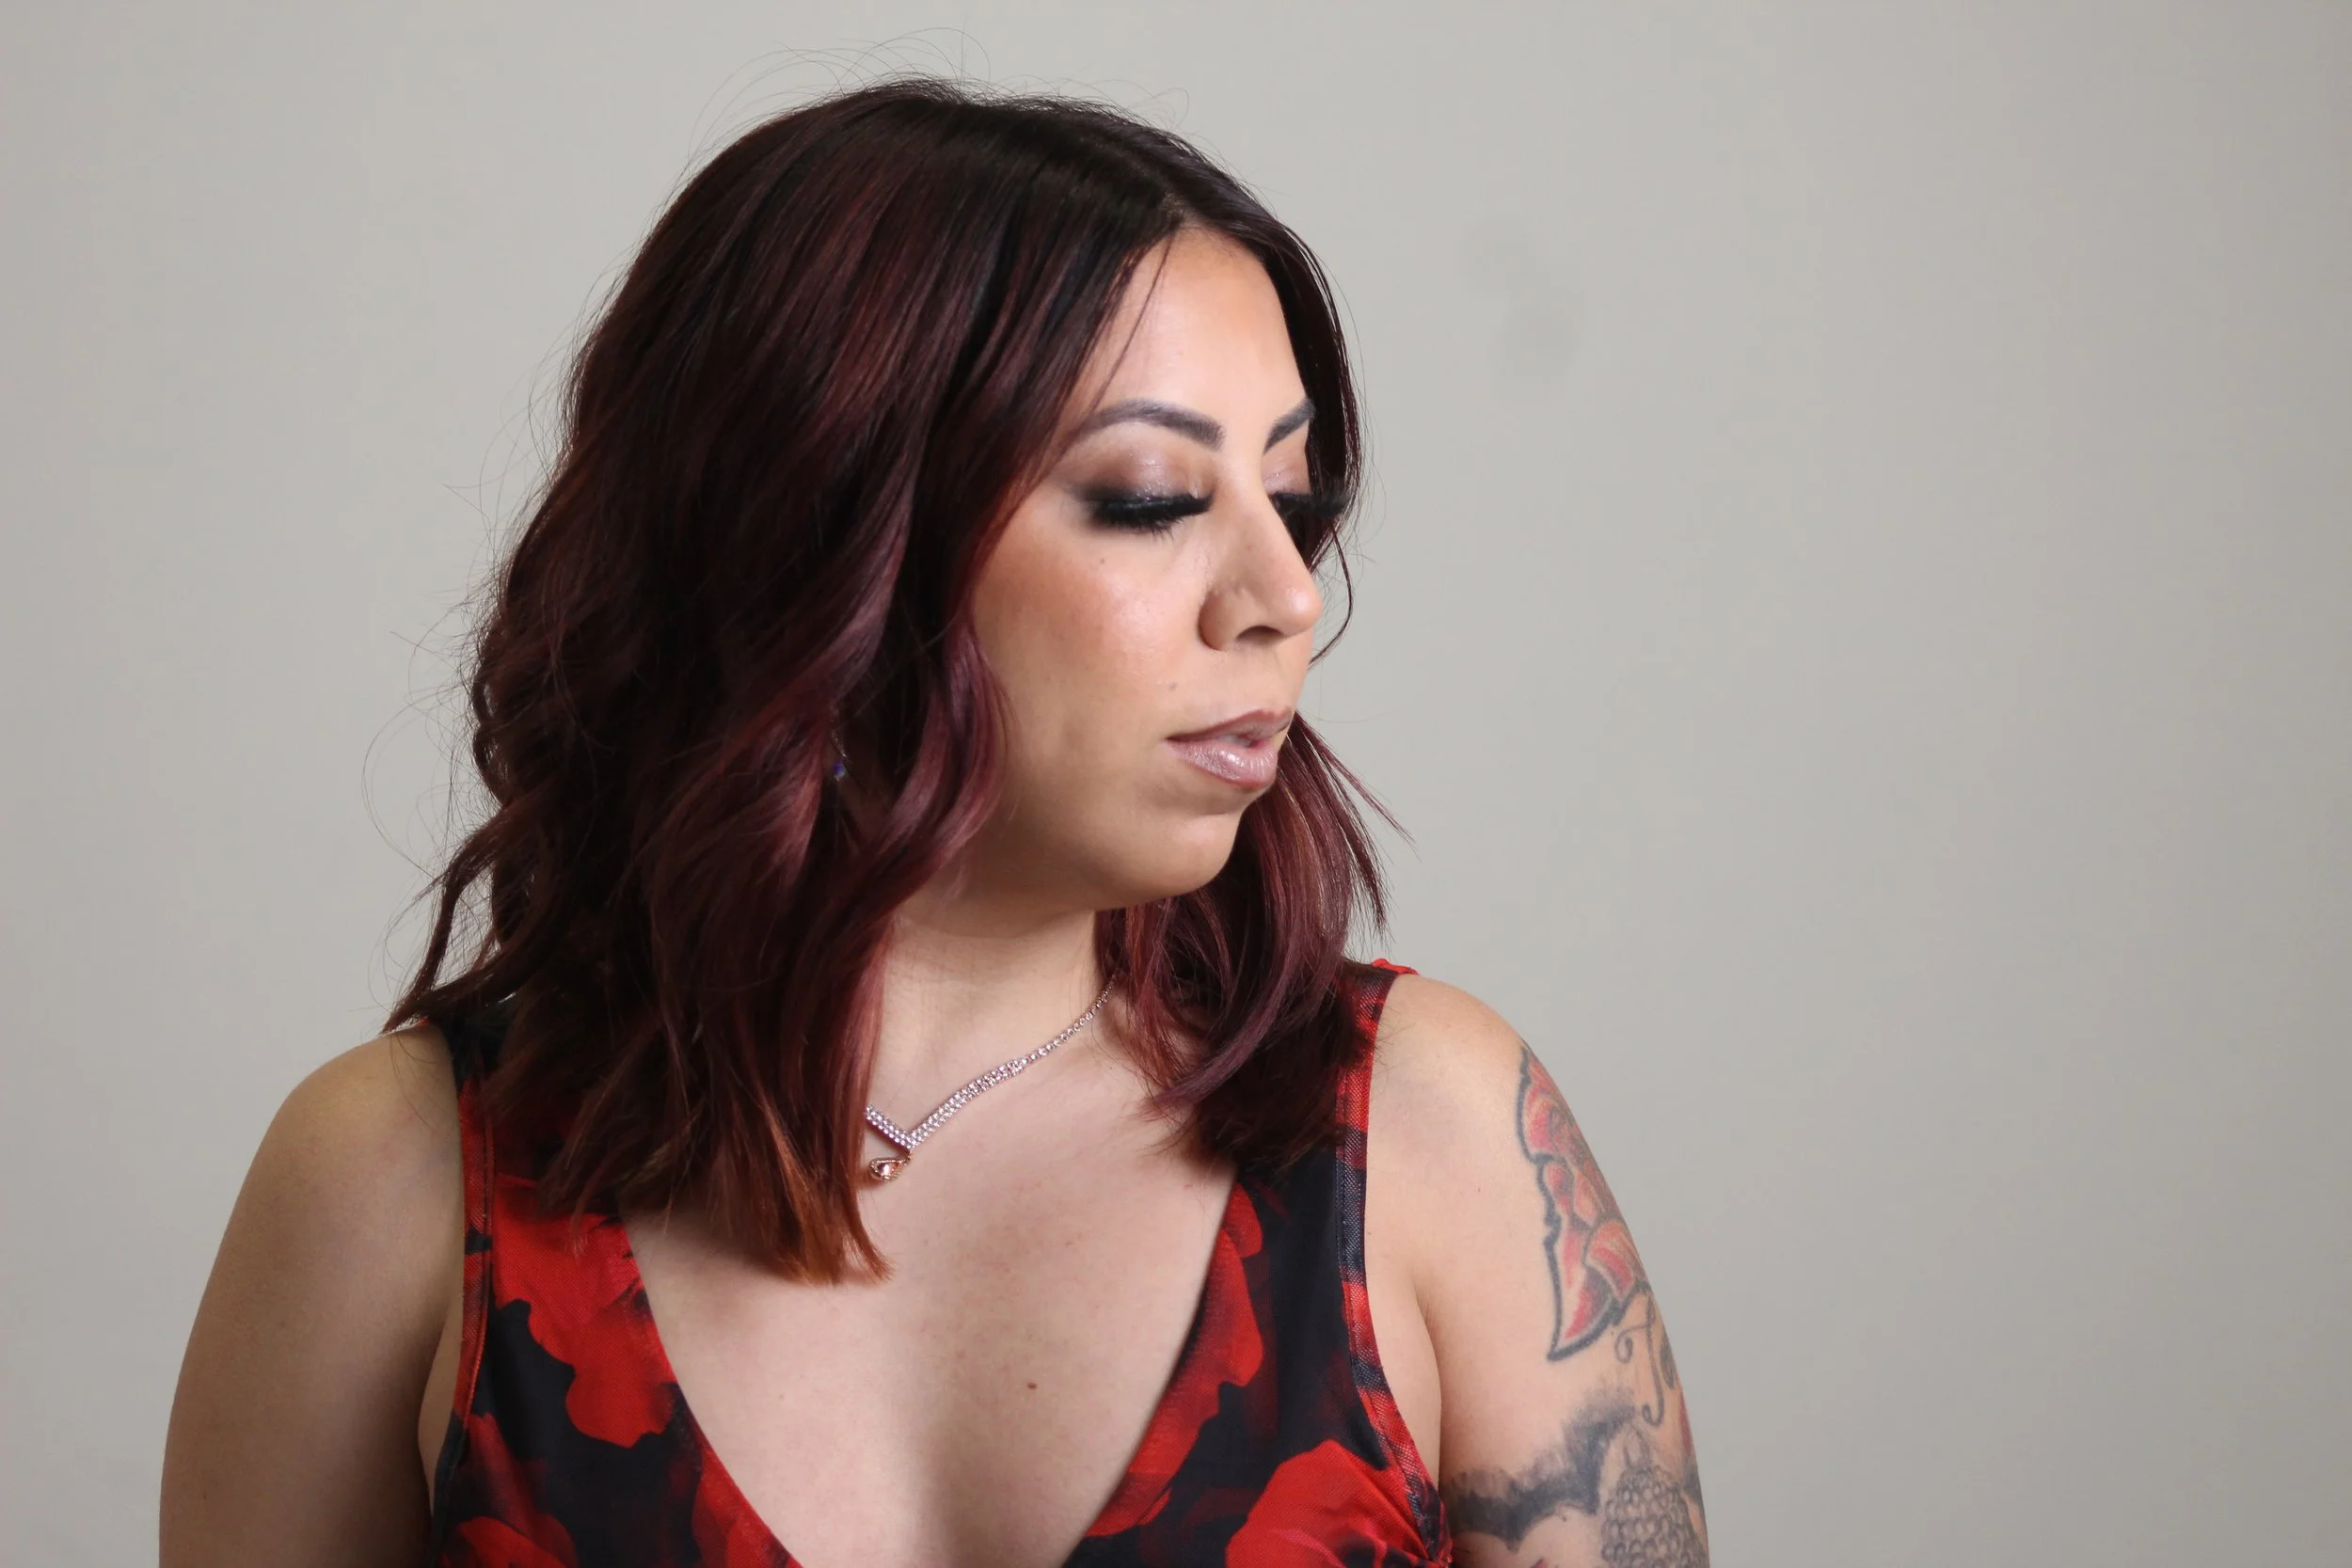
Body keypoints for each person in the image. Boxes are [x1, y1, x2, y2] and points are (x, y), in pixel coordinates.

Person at [161, 80, 1708, 1568]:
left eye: (1291, 500)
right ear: (825, 547)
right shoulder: (395, 1186)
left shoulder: (1430, 1144)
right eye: (1156, 497)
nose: (1285, 597)